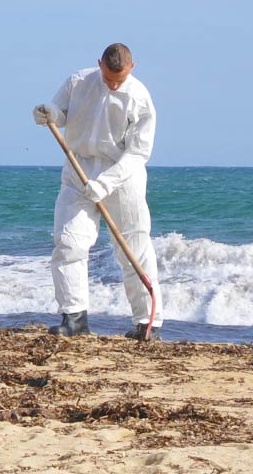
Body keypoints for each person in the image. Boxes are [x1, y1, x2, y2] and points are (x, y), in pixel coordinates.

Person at [33, 42, 159, 340]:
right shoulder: (79, 81)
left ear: (132, 68)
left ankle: (147, 323)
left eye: (120, 80)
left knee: (133, 247)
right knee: (68, 242)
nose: (113, 85)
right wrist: (48, 113)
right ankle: (74, 318)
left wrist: (105, 183)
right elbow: (60, 112)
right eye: (108, 79)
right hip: (78, 167)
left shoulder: (140, 98)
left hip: (122, 175)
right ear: (99, 64)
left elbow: (138, 153)